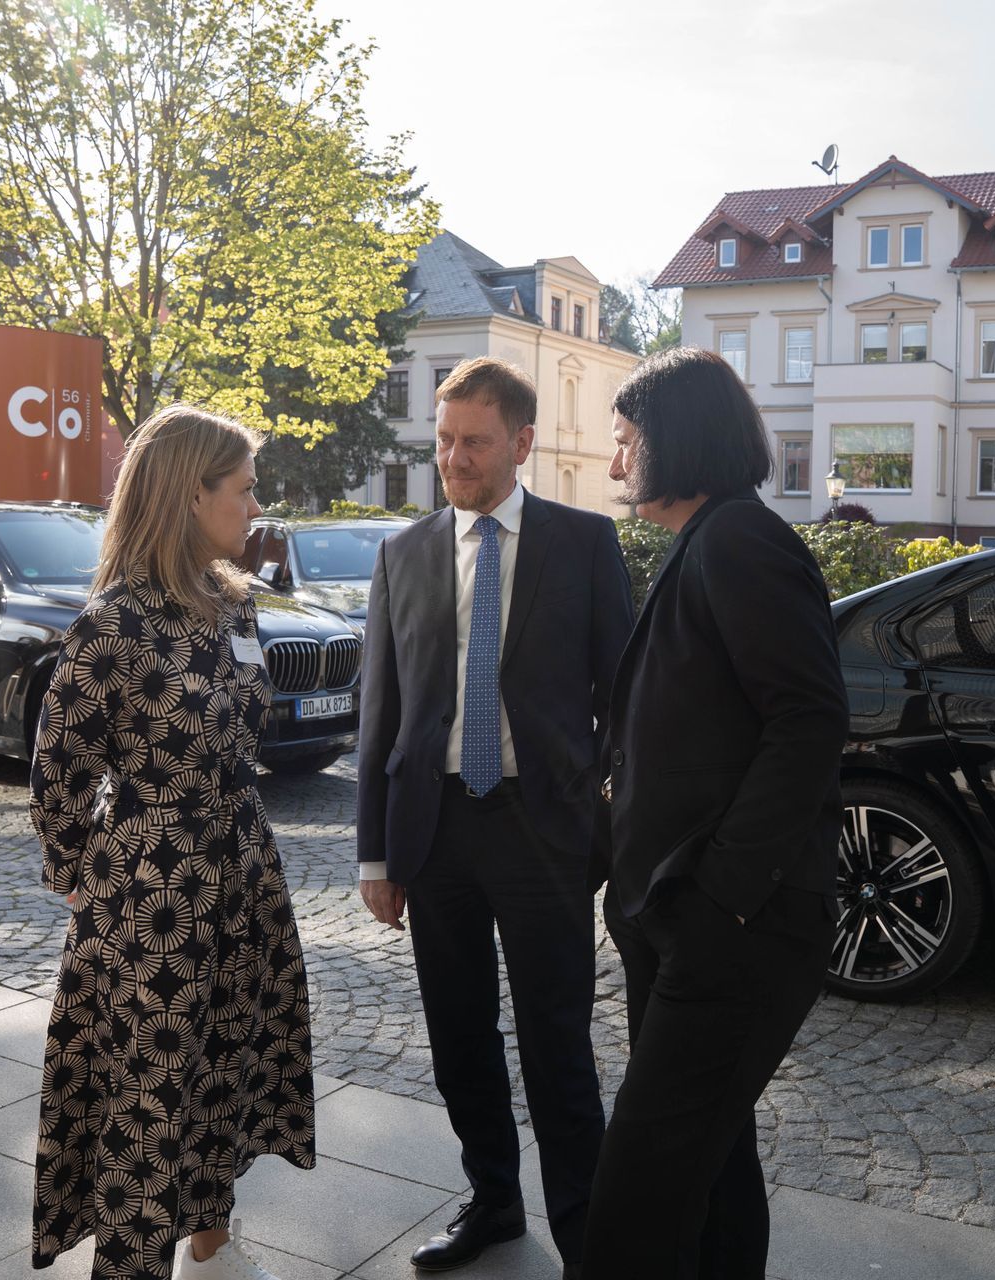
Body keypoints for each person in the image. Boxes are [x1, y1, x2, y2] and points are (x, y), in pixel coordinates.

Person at [356, 357, 632, 1277]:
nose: (454, 458)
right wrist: (376, 856)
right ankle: (494, 1201)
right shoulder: (404, 552)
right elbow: (381, 714)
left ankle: (588, 1235)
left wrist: (600, 817)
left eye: (474, 442)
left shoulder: (584, 543)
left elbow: (623, 699)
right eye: (444, 440)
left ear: (522, 442)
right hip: (436, 833)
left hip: (541, 830)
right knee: (459, 1035)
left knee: (558, 1043)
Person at [28, 405, 315, 1280]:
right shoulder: (114, 621)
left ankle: (211, 1241)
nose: (255, 507)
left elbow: (251, 726)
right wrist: (81, 875)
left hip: (241, 867)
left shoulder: (235, 604)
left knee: (226, 1060)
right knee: (149, 1092)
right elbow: (58, 767)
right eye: (243, 489)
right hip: (154, 883)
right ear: (192, 494)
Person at [583, 348, 848, 1280]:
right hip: (686, 917)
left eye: (626, 441)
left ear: (675, 438)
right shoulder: (708, 538)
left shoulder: (740, 540)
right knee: (711, 1168)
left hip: (736, 928)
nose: (615, 463)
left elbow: (809, 722)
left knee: (637, 1198)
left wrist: (721, 895)